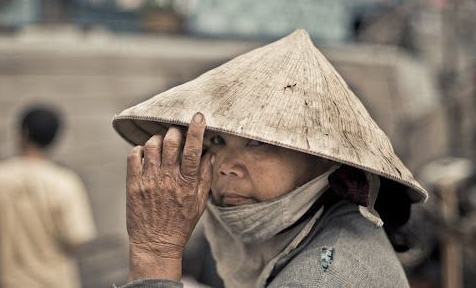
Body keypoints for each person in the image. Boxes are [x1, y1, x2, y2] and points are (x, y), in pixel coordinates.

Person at [112, 29, 428, 287]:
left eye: (258, 142)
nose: (225, 167)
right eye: (217, 141)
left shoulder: (323, 276)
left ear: (323, 159)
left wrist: (156, 254)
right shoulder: (321, 238)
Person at [0, 105, 96, 288]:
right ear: (53, 139)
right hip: (57, 282)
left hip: (11, 282)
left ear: (23, 133)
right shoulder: (65, 182)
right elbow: (77, 241)